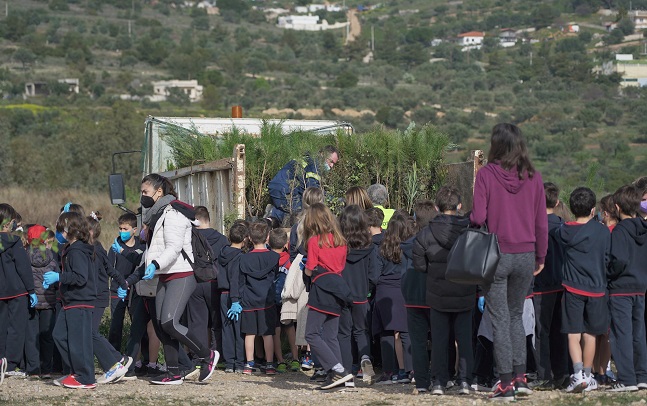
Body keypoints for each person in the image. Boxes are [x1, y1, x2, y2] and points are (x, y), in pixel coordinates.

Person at [470, 123, 548, 401]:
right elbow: (541, 222)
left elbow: (478, 217)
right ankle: (520, 377)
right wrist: (540, 256)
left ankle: (504, 383)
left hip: (497, 254)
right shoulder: (533, 176)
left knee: (500, 318)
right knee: (516, 315)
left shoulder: (487, 175)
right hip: (526, 254)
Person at [139, 173, 218, 385]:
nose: (142, 197)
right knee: (160, 325)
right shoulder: (157, 214)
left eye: (145, 192)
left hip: (182, 273)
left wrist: (155, 264)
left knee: (169, 321)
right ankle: (173, 372)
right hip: (165, 274)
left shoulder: (173, 213)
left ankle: (206, 355)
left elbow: (173, 248)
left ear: (159, 192)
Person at [413, 187, 473, 395]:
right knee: (464, 339)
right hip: (464, 292)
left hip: (437, 292)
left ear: (436, 207)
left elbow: (419, 265)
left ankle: (439, 381)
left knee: (439, 340)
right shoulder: (468, 231)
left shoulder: (425, 234)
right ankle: (465, 380)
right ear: (459, 207)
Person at [555, 187, 610, 394]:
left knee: (573, 333)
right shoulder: (602, 231)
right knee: (591, 334)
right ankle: (588, 375)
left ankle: (577, 373)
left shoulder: (564, 231)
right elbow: (607, 258)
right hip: (597, 288)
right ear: (593, 209)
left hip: (572, 287)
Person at [302, 203, 353, 390]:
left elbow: (310, 268)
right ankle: (338, 377)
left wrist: (307, 271)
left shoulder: (315, 241)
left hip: (321, 289)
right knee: (332, 336)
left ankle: (338, 369)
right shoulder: (341, 240)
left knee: (312, 333)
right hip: (338, 288)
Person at [44, 211, 97, 389]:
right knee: (59, 335)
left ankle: (85, 377)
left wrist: (59, 277)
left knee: (78, 341)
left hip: (80, 301)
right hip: (71, 301)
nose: (59, 233)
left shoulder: (77, 251)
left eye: (61, 229)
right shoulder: (71, 249)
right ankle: (76, 372)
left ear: (68, 230)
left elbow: (80, 277)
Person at [607, 185, 647, 392]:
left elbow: (619, 260)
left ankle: (627, 379)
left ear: (616, 206)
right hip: (640, 287)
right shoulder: (644, 227)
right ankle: (642, 376)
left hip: (621, 287)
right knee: (639, 333)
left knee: (621, 333)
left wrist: (609, 274)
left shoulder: (620, 231)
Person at [532, 182, 568, 390]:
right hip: (561, 285)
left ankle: (544, 374)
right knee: (558, 330)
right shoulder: (563, 226)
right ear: (556, 202)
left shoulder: (534, 227)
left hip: (540, 286)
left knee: (541, 332)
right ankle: (561, 372)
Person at [86, 216, 131, 384]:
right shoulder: (87, 248)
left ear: (90, 232)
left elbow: (111, 270)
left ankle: (114, 363)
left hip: (98, 297)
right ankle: (118, 360)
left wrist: (123, 284)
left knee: (90, 332)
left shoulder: (96, 249)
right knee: (89, 332)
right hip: (91, 296)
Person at [338, 204, 378, 385]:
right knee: (361, 332)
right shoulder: (370, 247)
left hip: (342, 296)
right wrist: (366, 290)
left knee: (344, 334)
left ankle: (347, 374)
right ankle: (365, 359)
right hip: (362, 297)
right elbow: (374, 275)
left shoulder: (339, 248)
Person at [373, 212, 414, 385]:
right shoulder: (411, 248)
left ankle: (389, 371)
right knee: (406, 332)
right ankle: (410, 370)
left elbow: (375, 274)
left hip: (385, 290)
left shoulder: (382, 248)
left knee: (386, 332)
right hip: (405, 289)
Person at [185, 206, 228, 367]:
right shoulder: (222, 239)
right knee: (217, 321)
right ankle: (218, 354)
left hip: (195, 283)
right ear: (208, 219)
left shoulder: (189, 238)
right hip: (216, 283)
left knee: (197, 322)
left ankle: (199, 356)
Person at [236, 220, 279, 375]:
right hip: (267, 300)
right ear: (267, 237)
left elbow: (241, 281)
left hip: (249, 300)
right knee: (267, 333)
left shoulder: (243, 258)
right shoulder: (274, 257)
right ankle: (269, 364)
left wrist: (237, 299)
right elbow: (275, 275)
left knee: (250, 333)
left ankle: (249, 364)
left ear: (250, 238)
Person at [0, 204, 37, 382]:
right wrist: (31, 290)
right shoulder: (14, 242)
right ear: (9, 223)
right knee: (16, 329)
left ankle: (1, 361)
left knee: (1, 328)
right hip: (17, 292)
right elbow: (23, 268)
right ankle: (12, 365)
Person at [404, 199, 436, 394]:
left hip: (412, 297)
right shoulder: (436, 242)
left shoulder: (407, 245)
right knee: (440, 340)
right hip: (433, 296)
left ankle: (422, 382)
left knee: (417, 343)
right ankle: (441, 378)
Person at [268, 145, 339, 223]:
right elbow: (313, 190)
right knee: (301, 213)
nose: (332, 166)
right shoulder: (315, 164)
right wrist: (331, 200)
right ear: (322, 154)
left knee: (287, 210)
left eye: (334, 164)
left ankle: (271, 216)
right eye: (331, 161)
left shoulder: (308, 158)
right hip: (285, 190)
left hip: (278, 186)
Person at [108, 212, 144, 353]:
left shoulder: (141, 247)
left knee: (138, 326)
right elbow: (109, 268)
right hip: (118, 290)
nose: (122, 232)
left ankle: (141, 359)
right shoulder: (115, 247)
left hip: (135, 292)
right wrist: (119, 282)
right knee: (116, 326)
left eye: (125, 229)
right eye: (120, 229)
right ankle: (113, 357)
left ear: (134, 230)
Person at [24, 226, 57, 379]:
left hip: (31, 301)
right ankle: (46, 370)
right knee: (47, 336)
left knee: (32, 336)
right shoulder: (51, 255)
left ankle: (33, 370)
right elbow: (57, 278)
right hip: (48, 301)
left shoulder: (25, 256)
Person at [218, 221, 248, 373]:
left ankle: (229, 362)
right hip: (235, 296)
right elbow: (236, 278)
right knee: (239, 330)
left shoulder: (222, 253)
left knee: (226, 329)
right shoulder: (240, 257)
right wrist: (236, 300)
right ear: (244, 240)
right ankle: (239, 362)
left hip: (223, 295)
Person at [268, 228, 295, 373]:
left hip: (271, 299)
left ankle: (280, 361)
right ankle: (296, 358)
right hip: (286, 298)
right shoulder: (289, 260)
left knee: (276, 330)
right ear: (286, 244)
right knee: (290, 327)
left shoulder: (267, 258)